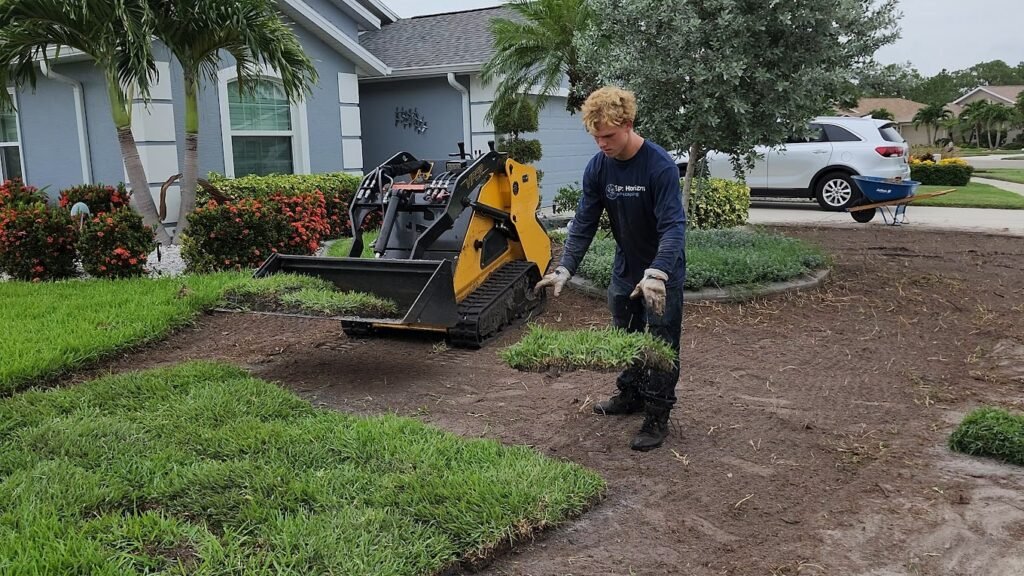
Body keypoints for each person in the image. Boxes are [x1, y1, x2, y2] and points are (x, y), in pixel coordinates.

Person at [535, 86, 686, 452]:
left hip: (661, 273)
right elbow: (584, 220)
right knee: (625, 335)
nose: (601, 144)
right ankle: (630, 395)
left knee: (661, 343)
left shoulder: (659, 166)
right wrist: (566, 267)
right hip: (624, 269)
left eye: (608, 136)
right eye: (595, 136)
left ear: (629, 125)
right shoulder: (599, 167)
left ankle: (657, 415)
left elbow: (673, 226)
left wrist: (657, 273)